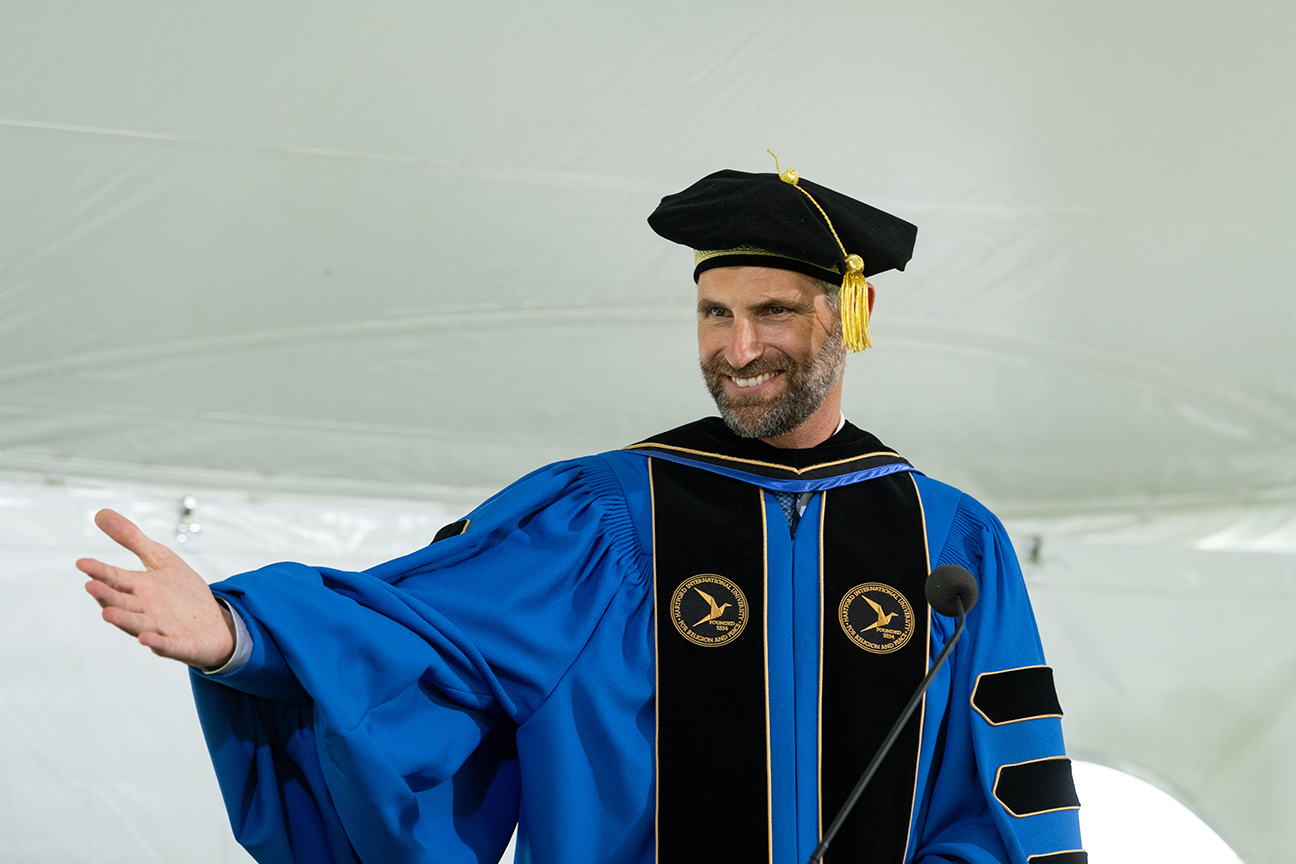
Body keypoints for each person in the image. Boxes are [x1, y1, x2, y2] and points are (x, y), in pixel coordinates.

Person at [79, 158, 1086, 864]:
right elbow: (424, 641)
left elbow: (1005, 801)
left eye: (772, 311)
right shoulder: (606, 519)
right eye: (713, 313)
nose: (736, 349)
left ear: (848, 316)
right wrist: (242, 636)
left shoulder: (949, 542)